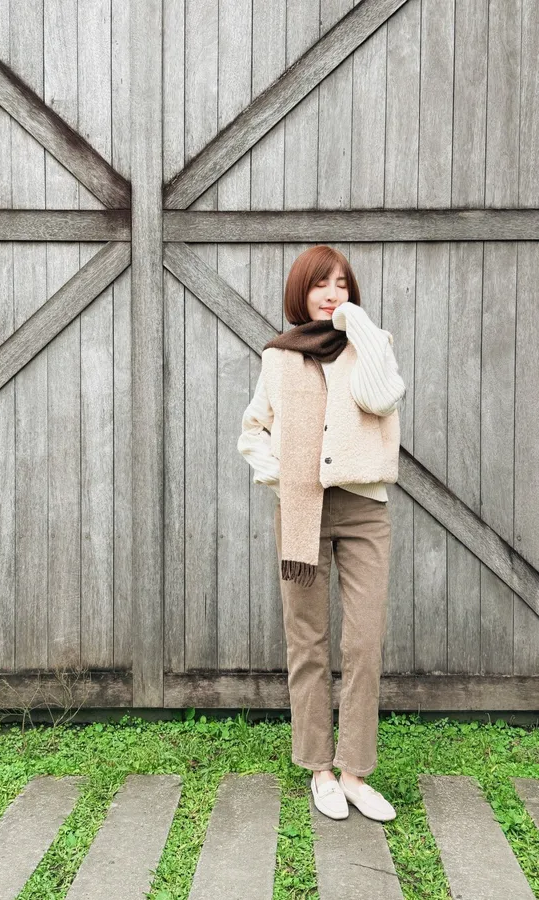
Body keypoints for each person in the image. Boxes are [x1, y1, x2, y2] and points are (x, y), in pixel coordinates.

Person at [237, 245, 406, 822]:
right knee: (306, 641)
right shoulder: (279, 356)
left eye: (342, 284)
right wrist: (285, 477)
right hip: (302, 511)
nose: (332, 294)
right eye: (320, 284)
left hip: (364, 510)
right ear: (300, 292)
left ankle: (355, 772)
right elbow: (253, 431)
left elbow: (382, 397)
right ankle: (319, 769)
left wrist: (359, 325)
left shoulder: (371, 345)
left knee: (363, 642)